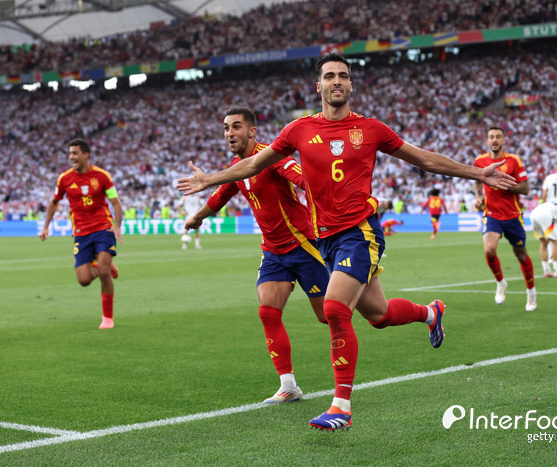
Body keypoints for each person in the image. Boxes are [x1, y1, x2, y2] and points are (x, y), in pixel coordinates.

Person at [178, 53, 516, 431]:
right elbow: (255, 164)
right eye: (329, 76)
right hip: (326, 240)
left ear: (351, 85)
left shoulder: (371, 129)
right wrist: (212, 180)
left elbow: (423, 159)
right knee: (378, 314)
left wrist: (476, 174)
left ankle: (341, 406)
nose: (336, 81)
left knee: (336, 309)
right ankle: (430, 312)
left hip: (361, 231)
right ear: (318, 86)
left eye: (343, 76)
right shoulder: (298, 130)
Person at [184, 106, 331, 405]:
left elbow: (300, 175)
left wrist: (316, 185)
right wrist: (198, 218)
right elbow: (221, 196)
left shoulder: (271, 156)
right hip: (274, 252)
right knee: (268, 311)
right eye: (226, 128)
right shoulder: (236, 168)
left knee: (331, 315)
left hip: (303, 246)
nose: (229, 133)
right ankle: (288, 385)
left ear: (252, 131)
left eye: (236, 127)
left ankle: (419, 313)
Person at [39, 139, 122, 329]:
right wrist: (46, 227)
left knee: (102, 272)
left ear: (86, 155)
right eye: (70, 154)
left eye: (75, 153)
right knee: (84, 280)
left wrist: (117, 226)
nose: (71, 157)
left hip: (103, 227)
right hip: (81, 232)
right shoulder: (65, 179)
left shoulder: (102, 176)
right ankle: (106, 265)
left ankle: (107, 318)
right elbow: (53, 202)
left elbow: (116, 203)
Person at [474, 127, 537, 312]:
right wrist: (478, 198)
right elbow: (477, 181)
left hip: (513, 215)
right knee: (489, 249)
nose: (494, 140)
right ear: (487, 140)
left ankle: (531, 292)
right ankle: (501, 282)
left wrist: (504, 184)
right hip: (492, 214)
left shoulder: (513, 161)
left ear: (503, 140)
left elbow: (525, 189)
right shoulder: (479, 161)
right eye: (491, 137)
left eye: (498, 137)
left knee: (521, 255)